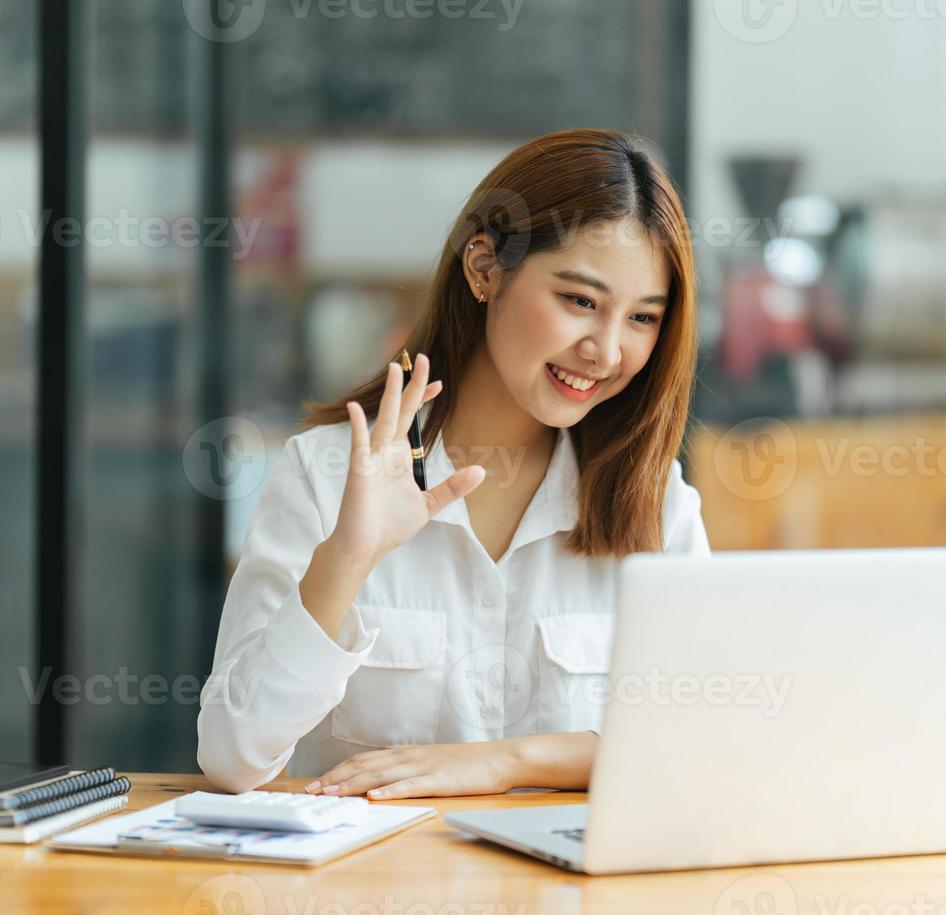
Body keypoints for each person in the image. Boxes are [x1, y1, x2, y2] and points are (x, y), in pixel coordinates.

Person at [197, 128, 709, 799]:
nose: (607, 351)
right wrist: (347, 558)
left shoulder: (658, 504)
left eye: (642, 318)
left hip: (572, 897)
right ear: (484, 268)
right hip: (375, 896)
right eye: (580, 301)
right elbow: (232, 758)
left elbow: (703, 741)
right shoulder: (327, 476)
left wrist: (507, 762)